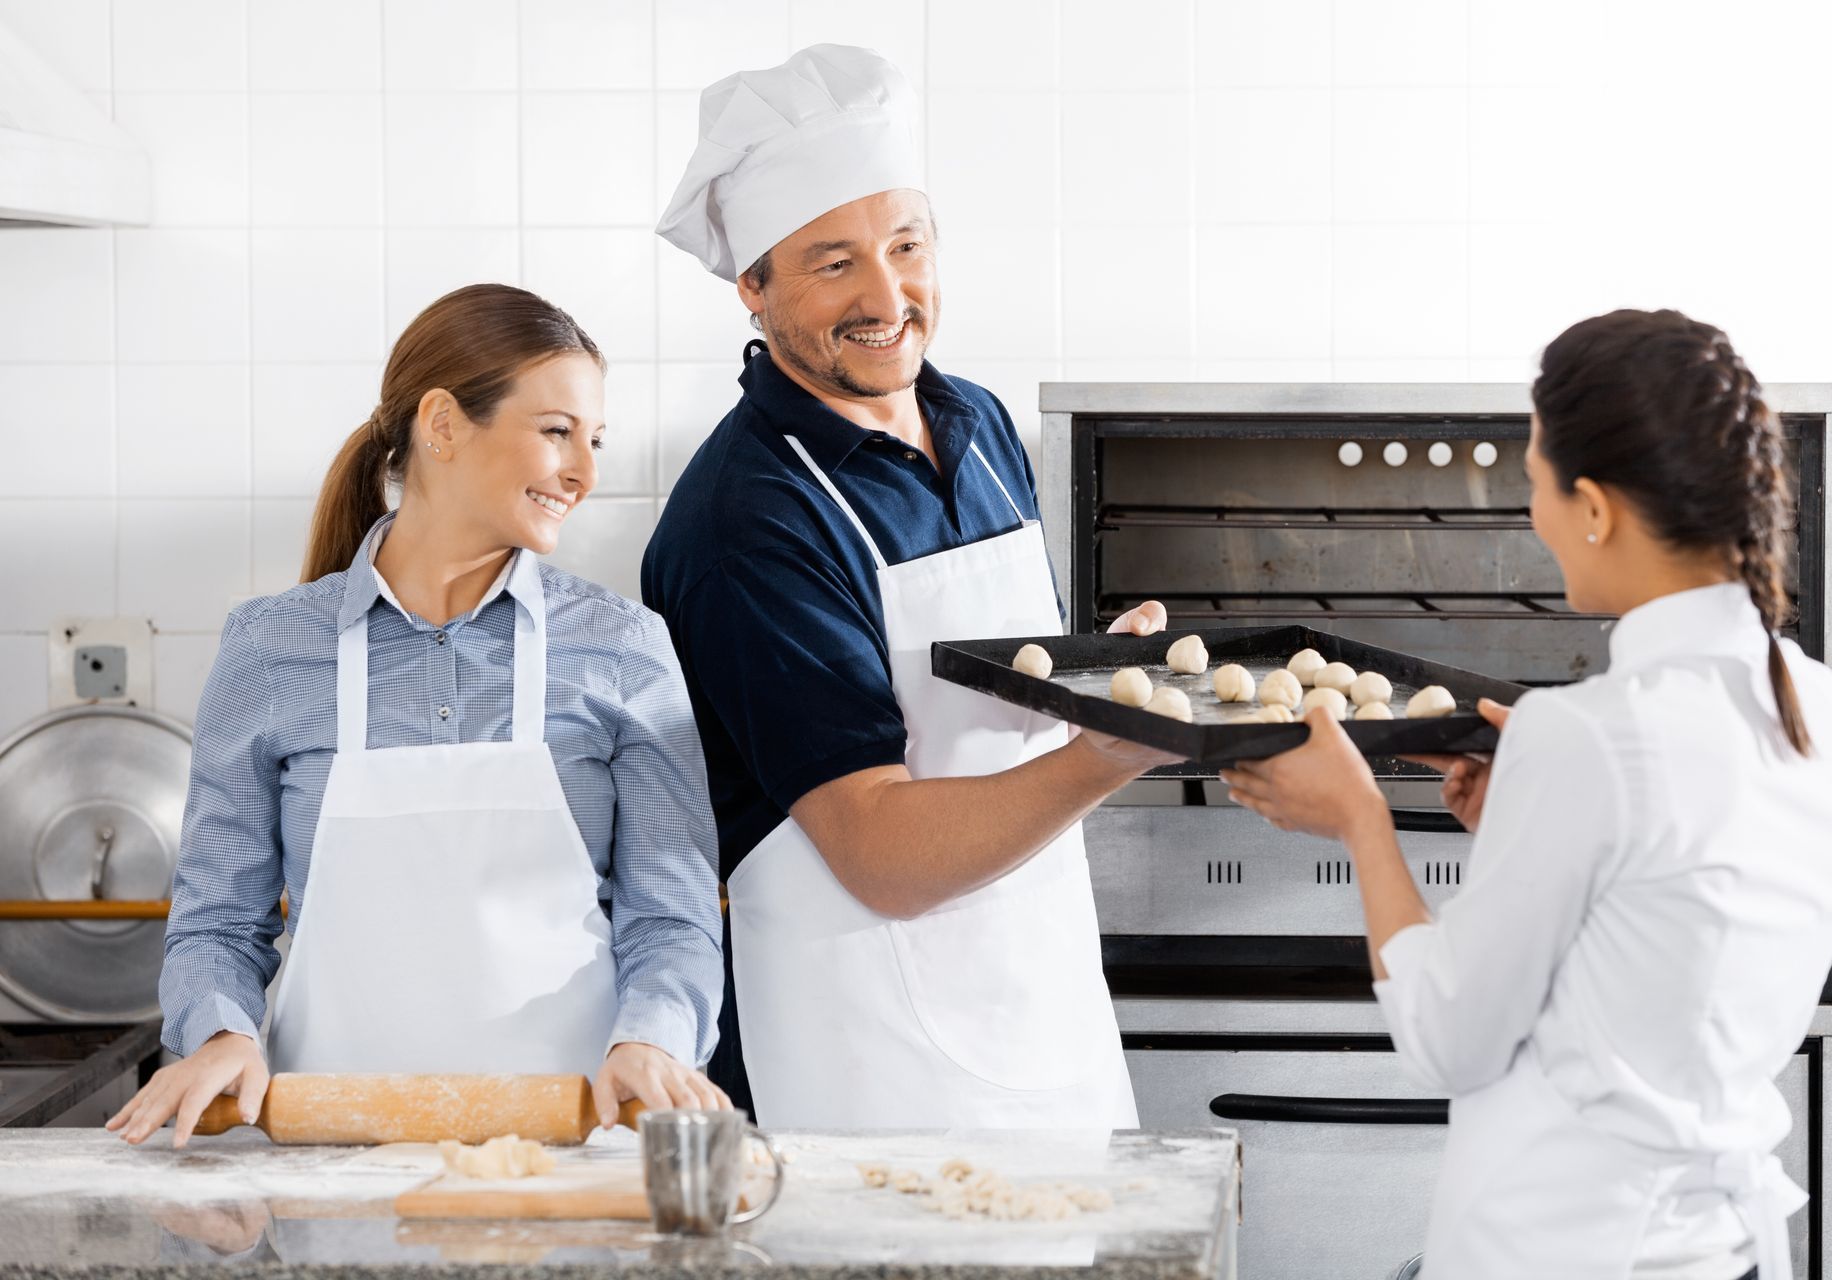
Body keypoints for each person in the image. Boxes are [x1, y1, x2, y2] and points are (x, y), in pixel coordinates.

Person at [1221, 308, 1832, 1280]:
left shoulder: (1589, 739)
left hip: (1563, 1249)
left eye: (1534, 484)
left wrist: (1358, 818)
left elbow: (1446, 1040)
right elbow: (1654, 943)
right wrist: (1530, 804)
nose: (1534, 516)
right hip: (1719, 1253)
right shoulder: (1823, 708)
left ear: (1596, 508)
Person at [643, 45, 1171, 1128]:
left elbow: (997, 711)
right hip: (872, 1075)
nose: (889, 296)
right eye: (834, 263)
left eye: (906, 244)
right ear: (753, 284)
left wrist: (1097, 677)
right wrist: (1105, 753)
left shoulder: (975, 424)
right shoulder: (745, 520)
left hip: (1047, 1015)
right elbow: (875, 847)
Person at [110, 284, 727, 1148]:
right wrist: (220, 1034)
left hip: (574, 1145)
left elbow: (673, 914)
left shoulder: (625, 647)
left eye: (594, 439)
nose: (585, 471)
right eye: (557, 432)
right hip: (324, 1151)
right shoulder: (269, 648)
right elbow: (218, 918)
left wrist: (656, 1039)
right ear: (441, 424)